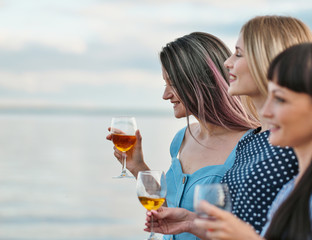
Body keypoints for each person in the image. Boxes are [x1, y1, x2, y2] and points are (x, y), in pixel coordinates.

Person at [144, 15, 312, 237]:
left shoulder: (294, 143)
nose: (227, 63)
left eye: (239, 54)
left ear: (267, 61)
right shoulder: (253, 140)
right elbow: (241, 223)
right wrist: (192, 222)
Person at [193, 42, 312, 240]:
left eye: (280, 99)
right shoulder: (296, 184)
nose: (265, 111)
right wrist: (190, 222)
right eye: (269, 95)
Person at [107, 32, 260, 239]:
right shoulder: (182, 137)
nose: (165, 95)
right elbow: (170, 212)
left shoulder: (250, 145)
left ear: (200, 82)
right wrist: (137, 166)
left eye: (173, 84)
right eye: (165, 84)